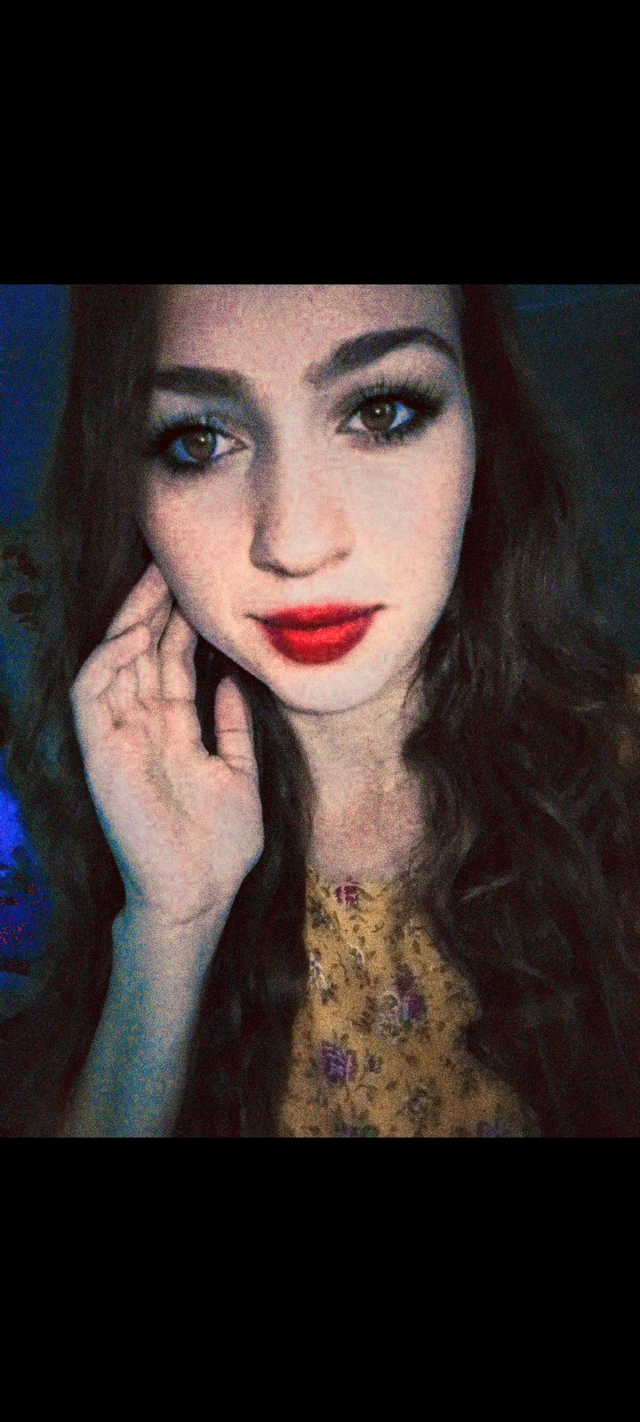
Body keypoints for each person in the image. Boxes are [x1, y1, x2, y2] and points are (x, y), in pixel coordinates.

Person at [0, 284, 639, 1138]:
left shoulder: (623, 763)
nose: (296, 544)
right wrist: (172, 924)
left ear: (485, 436)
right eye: (199, 440)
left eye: (381, 411)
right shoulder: (137, 822)